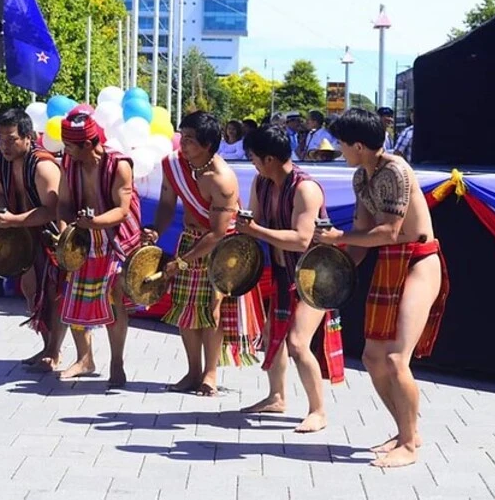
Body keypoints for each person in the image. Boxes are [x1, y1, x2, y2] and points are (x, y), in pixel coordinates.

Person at [317, 109, 450, 467]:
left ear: (358, 145)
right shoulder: (362, 177)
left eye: (342, 144)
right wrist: (333, 272)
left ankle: (408, 445)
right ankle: (407, 432)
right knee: (374, 358)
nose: (339, 149)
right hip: (391, 263)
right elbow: (363, 240)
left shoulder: (393, 169)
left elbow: (390, 231)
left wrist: (338, 236)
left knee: (394, 358)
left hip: (420, 262)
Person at [143, 111, 264, 396]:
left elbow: (219, 232)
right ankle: (193, 371)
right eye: (181, 137)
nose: (182, 144)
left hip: (221, 248)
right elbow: (166, 205)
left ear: (208, 145)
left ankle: (210, 374)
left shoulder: (223, 180)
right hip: (190, 240)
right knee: (186, 309)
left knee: (212, 310)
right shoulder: (174, 165)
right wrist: (156, 231)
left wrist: (183, 261)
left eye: (189, 140)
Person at [237, 125, 345, 432]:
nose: (252, 162)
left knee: (297, 342)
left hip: (317, 275)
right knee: (273, 335)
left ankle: (318, 411)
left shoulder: (304, 189)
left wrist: (254, 230)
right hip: (285, 272)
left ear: (269, 158)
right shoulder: (262, 181)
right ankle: (277, 396)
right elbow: (255, 218)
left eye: (253, 157)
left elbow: (300, 239)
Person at [58, 112, 142, 388]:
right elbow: (64, 203)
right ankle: (85, 359)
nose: (65, 149)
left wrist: (94, 222)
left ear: (87, 144)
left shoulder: (119, 165)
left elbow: (122, 209)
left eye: (70, 145)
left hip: (114, 239)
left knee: (114, 299)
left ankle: (116, 362)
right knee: (75, 299)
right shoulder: (69, 163)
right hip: (83, 239)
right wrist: (64, 233)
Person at [0, 109, 67, 371]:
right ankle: (47, 346)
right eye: (0, 138)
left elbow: (54, 210)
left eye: (11, 139)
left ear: (27, 137)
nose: (5, 145)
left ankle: (55, 352)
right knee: (31, 291)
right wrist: (3, 213)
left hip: (51, 236)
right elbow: (1, 194)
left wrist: (14, 220)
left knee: (54, 294)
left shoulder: (43, 166)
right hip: (23, 235)